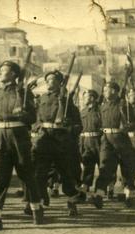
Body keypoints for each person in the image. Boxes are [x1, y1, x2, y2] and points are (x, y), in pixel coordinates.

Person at [0, 61, 42, 231]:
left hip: (18, 136)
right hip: (0, 135)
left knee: (26, 172)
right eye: (0, 70)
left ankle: (36, 208)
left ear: (14, 75)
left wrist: (24, 115)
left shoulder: (23, 92)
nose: (1, 73)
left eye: (5, 71)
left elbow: (32, 118)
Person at [29, 70, 81, 216]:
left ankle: (71, 201)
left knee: (66, 173)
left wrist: (67, 125)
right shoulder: (42, 99)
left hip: (61, 141)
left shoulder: (66, 100)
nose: (49, 82)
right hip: (44, 140)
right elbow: (37, 118)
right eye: (48, 79)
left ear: (60, 82)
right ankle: (39, 203)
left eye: (53, 79)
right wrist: (37, 129)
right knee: (40, 172)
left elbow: (77, 124)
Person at [93, 82, 135, 208]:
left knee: (127, 167)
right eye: (105, 88)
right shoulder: (103, 105)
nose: (105, 91)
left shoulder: (124, 104)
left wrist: (127, 127)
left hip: (121, 138)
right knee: (104, 166)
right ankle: (99, 195)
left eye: (108, 89)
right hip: (106, 139)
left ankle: (129, 194)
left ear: (115, 91)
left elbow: (132, 122)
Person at [79, 89, 101, 201]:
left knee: (102, 166)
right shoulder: (82, 112)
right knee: (87, 166)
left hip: (98, 141)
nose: (84, 99)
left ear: (92, 98)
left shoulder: (100, 111)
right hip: (86, 141)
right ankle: (84, 190)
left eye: (86, 97)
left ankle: (101, 191)